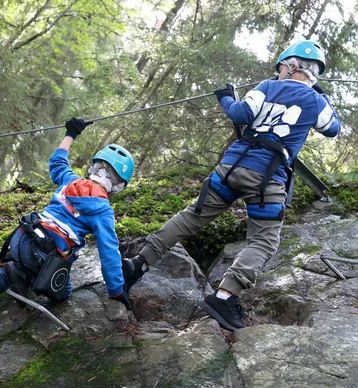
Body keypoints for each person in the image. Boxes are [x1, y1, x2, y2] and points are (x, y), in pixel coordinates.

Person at [124, 40, 342, 331]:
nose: (278, 73)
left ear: (291, 66)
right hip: (266, 179)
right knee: (264, 240)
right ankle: (224, 296)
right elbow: (333, 129)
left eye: (281, 68)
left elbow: (240, 114)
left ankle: (139, 262)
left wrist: (226, 98)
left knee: (192, 217)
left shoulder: (265, 86)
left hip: (231, 168)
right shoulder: (316, 102)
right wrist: (323, 97)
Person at [0, 118, 145, 318]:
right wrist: (117, 290)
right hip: (43, 254)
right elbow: (109, 253)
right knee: (63, 291)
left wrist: (71, 133)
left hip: (21, 238)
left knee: (20, 269)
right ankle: (21, 276)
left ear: (95, 167)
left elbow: (57, 161)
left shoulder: (71, 179)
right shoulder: (103, 211)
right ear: (119, 185)